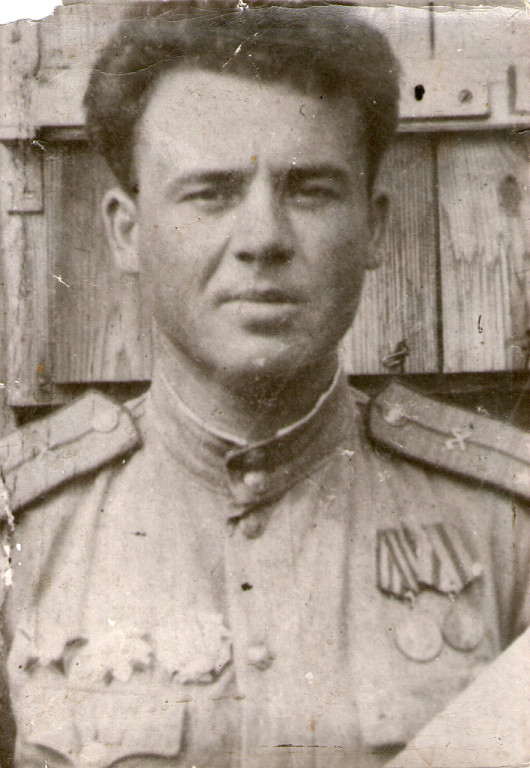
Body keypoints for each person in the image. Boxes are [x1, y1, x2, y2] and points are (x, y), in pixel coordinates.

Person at [0, 4, 528, 767]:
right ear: (126, 231)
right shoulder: (25, 531)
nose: (263, 239)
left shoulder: (505, 529)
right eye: (210, 192)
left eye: (309, 190)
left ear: (376, 227)